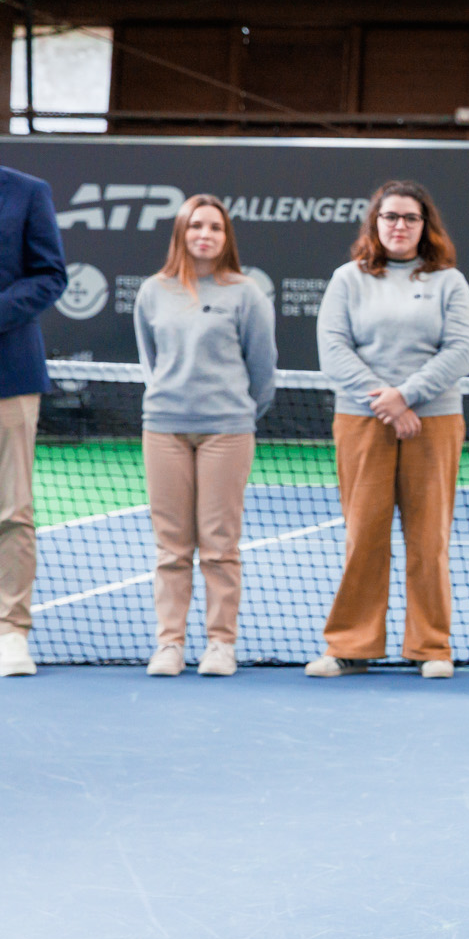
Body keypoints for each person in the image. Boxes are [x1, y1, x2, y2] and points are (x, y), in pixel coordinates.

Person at [309, 180, 469, 679]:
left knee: (429, 540)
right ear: (374, 224)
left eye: (409, 218)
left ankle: (431, 647)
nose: (399, 226)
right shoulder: (347, 279)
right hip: (362, 420)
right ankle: (351, 646)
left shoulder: (449, 282)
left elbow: (460, 351)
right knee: (364, 535)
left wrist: (408, 396)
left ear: (425, 227)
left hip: (435, 421)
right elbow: (333, 349)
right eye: (390, 218)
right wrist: (386, 401)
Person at [134, 195, 277, 677]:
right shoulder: (153, 291)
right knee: (172, 548)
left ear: (226, 237)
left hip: (227, 432)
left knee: (219, 546)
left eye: (215, 227)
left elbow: (262, 370)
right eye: (196, 226)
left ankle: (220, 645)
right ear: (181, 232)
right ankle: (169, 645)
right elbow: (151, 360)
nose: (205, 235)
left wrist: (234, 412)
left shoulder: (247, 293)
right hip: (164, 429)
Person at [0, 164, 65, 679]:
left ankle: (10, 630)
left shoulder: (27, 191)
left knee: (11, 509)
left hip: (9, 376)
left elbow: (50, 276)